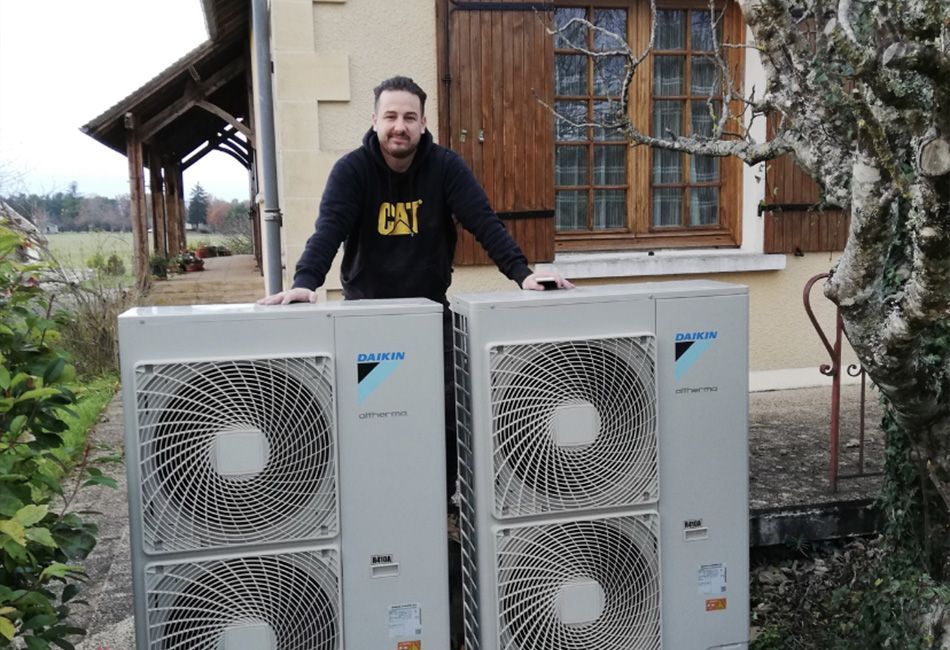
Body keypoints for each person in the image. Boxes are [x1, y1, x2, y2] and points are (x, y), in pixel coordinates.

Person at [258, 75, 572, 649]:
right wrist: (305, 283)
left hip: (429, 321)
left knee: (441, 434)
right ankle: (372, 529)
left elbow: (485, 223)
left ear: (424, 123)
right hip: (367, 328)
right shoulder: (353, 171)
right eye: (389, 117)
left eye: (409, 117)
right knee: (370, 436)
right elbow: (328, 228)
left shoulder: (445, 169)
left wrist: (525, 274)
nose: (399, 127)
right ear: (375, 122)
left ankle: (434, 528)